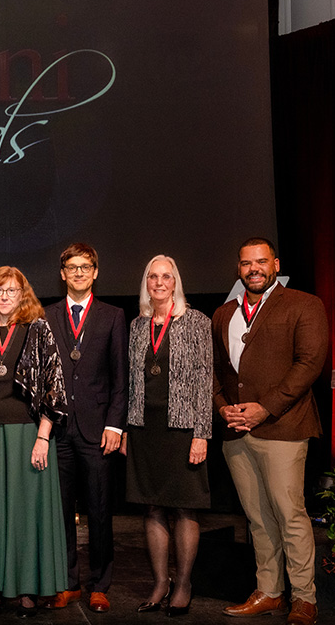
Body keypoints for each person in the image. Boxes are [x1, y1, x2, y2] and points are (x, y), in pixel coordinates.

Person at [213, 237, 328, 625]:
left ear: (276, 265)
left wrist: (265, 408)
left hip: (283, 427)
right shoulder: (224, 313)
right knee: (257, 518)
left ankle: (305, 598)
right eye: (246, 263)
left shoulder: (304, 304)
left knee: (289, 514)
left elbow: (309, 364)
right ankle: (269, 591)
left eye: (261, 262)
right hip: (236, 432)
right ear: (238, 268)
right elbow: (213, 372)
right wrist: (222, 408)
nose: (254, 269)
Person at [0, 266, 69, 618]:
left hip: (26, 435)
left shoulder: (37, 330)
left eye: (12, 290)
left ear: (23, 295)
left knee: (24, 515)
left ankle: (26, 593)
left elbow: (54, 385)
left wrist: (42, 438)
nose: (5, 296)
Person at [120, 254, 212, 617]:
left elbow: (205, 382)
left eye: (166, 277)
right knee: (152, 506)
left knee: (185, 506)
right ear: (146, 283)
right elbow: (132, 383)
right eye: (152, 277)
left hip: (183, 427)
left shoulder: (196, 322)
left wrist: (202, 433)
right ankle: (160, 582)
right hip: (145, 428)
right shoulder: (138, 325)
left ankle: (184, 583)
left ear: (176, 282)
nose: (159, 282)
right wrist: (128, 428)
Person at [42, 243, 127, 613]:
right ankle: (67, 583)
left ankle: (99, 584)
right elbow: (42, 375)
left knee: (99, 510)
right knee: (58, 512)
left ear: (96, 272)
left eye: (86, 266)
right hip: (59, 430)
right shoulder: (45, 316)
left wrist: (115, 424)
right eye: (72, 267)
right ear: (62, 274)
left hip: (98, 431)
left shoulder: (112, 315)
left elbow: (121, 379)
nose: (78, 273)